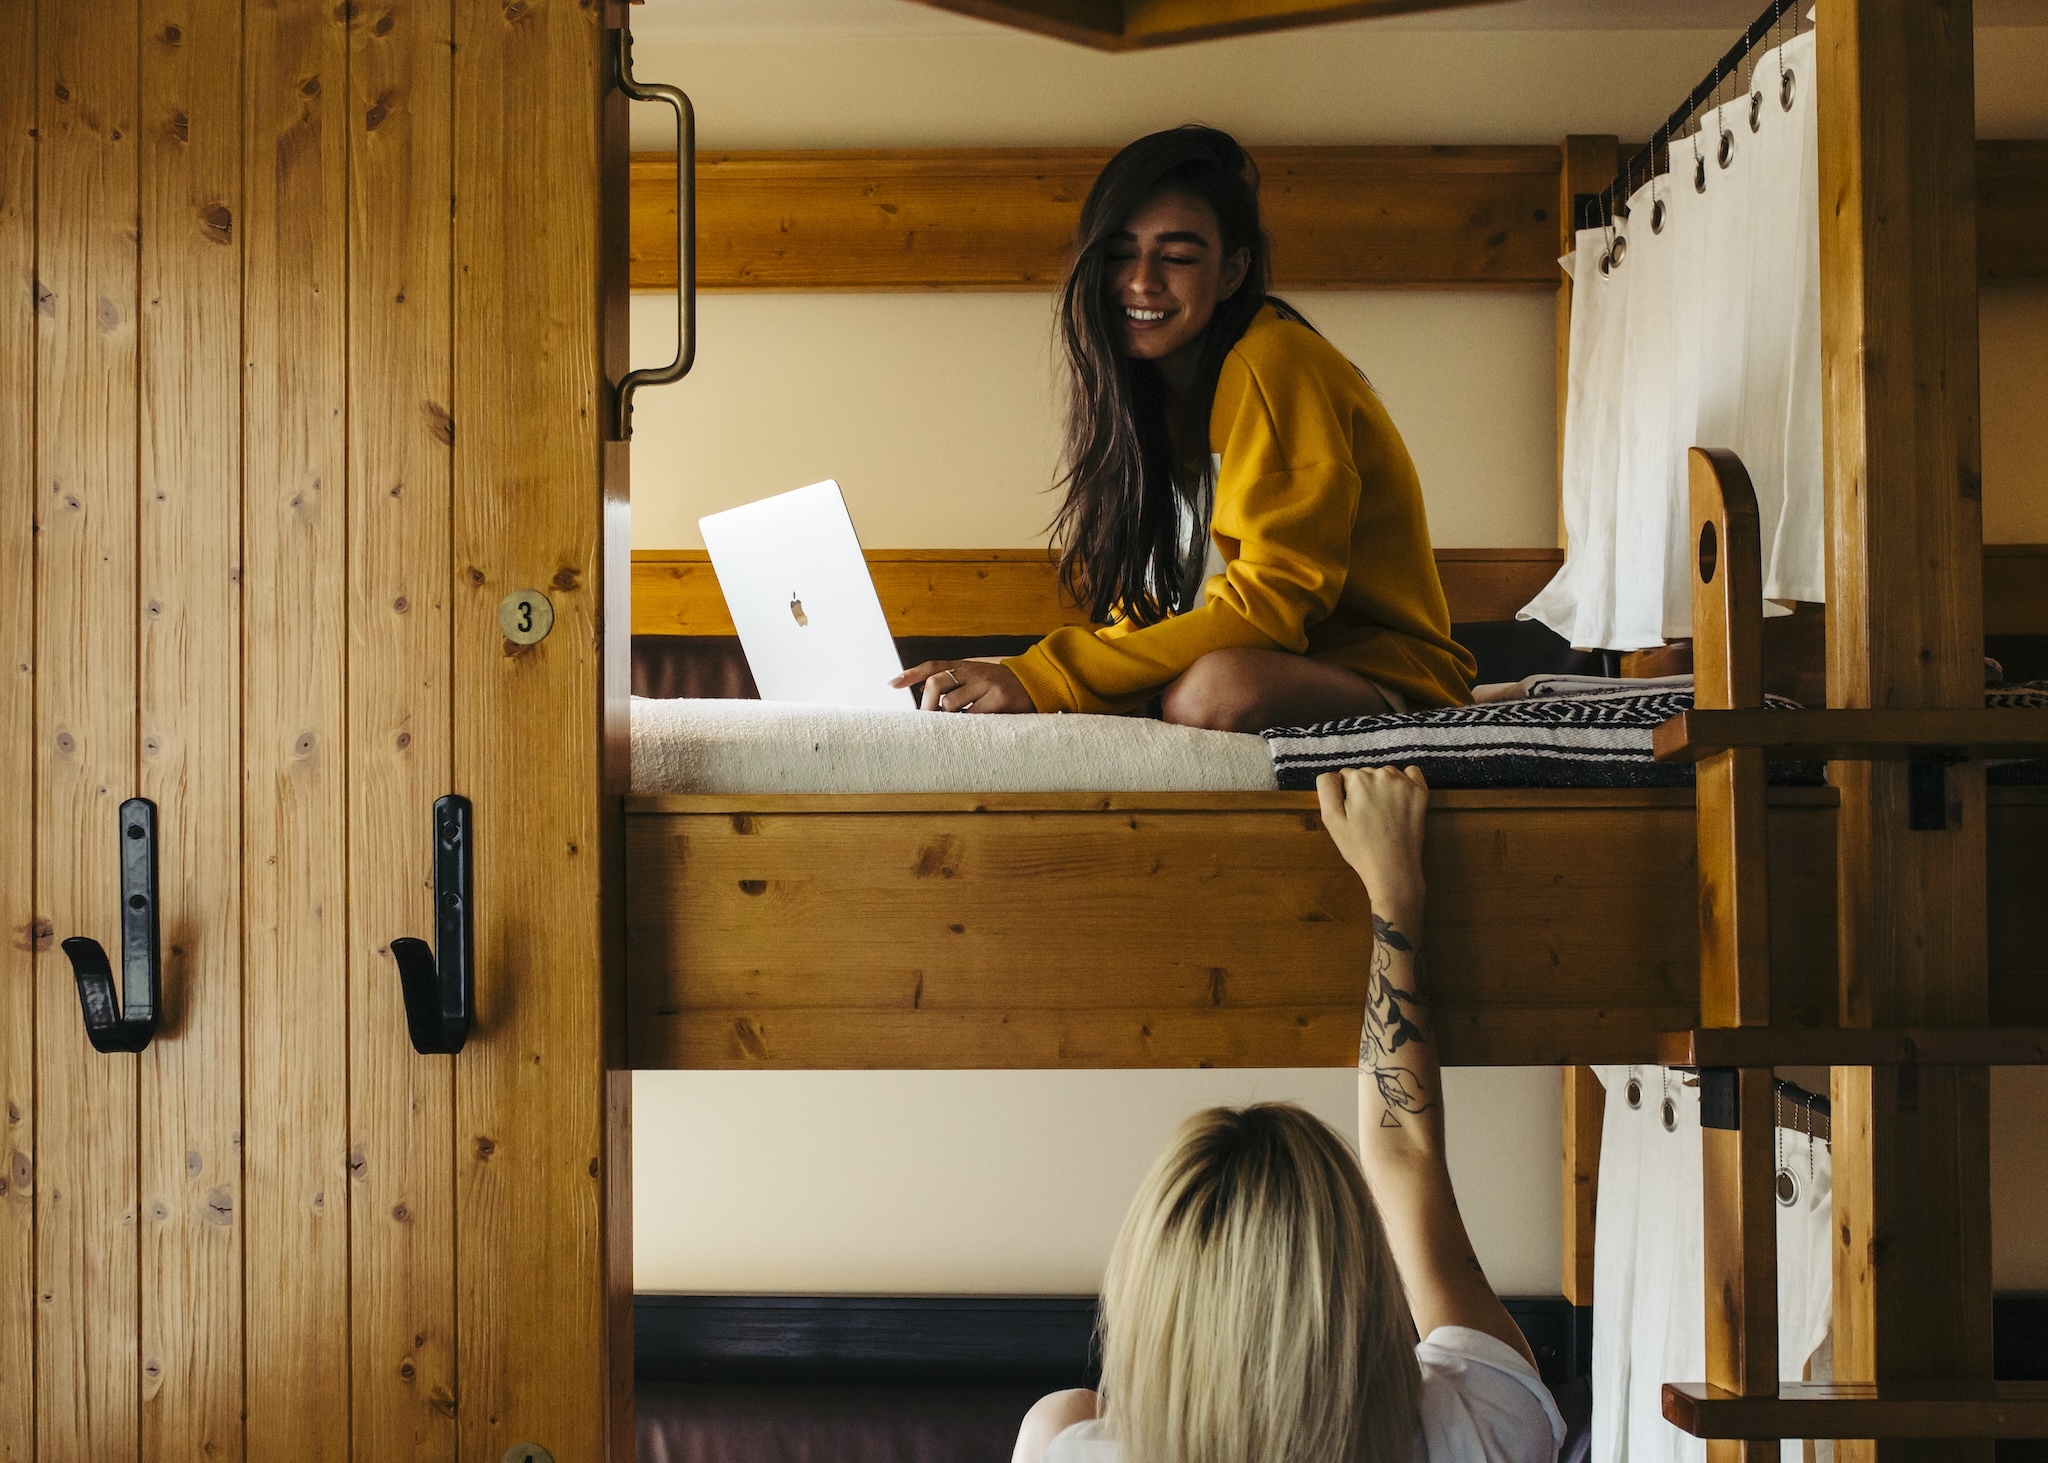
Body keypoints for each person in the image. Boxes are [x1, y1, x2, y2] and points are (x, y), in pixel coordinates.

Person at [1011, 766, 1565, 1463]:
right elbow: (1408, 1157)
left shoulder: (1065, 1444)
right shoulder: (1485, 1423)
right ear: (1360, 1283)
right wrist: (1396, 891)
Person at [895, 128, 1475, 730]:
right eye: (1120, 254)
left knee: (1211, 693)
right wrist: (1026, 673)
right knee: (1009, 674)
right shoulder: (1151, 396)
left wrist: (1056, 676)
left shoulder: (1275, 362)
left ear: (1232, 272)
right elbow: (1159, 610)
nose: (1143, 281)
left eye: (1177, 257)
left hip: (1386, 677)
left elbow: (1268, 612)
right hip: (1271, 661)